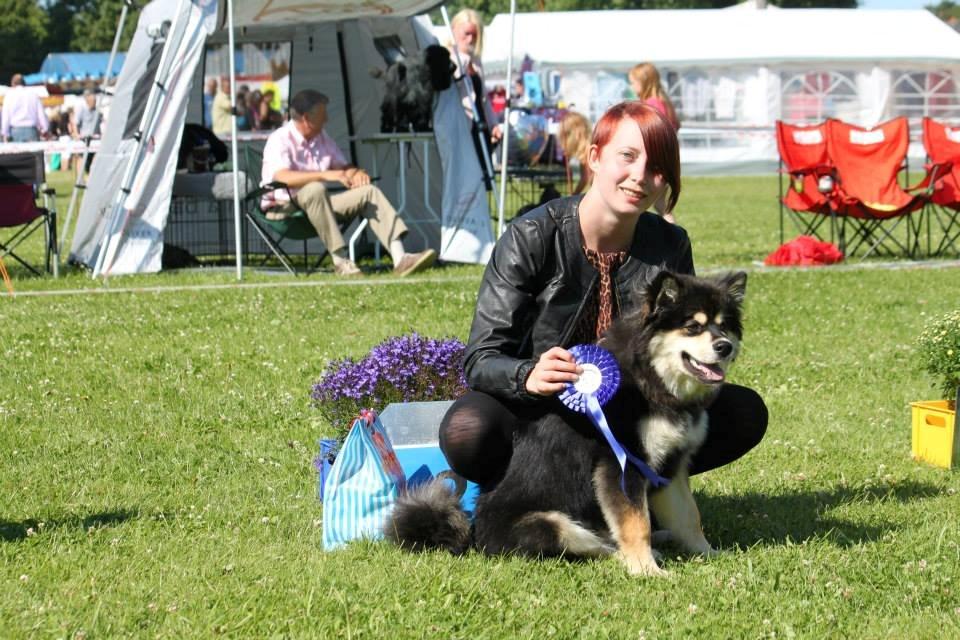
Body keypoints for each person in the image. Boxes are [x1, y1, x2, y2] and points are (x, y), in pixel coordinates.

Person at [438, 101, 767, 489]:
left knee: (744, 412)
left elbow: (677, 348)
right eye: (627, 156)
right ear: (595, 157)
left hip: (632, 408)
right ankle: (525, 495)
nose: (640, 176)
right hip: (539, 412)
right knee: (467, 430)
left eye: (657, 167)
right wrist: (528, 374)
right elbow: (481, 358)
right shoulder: (531, 237)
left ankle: (633, 490)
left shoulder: (670, 245)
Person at [260, 89, 437, 277]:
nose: (327, 119)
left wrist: (355, 173)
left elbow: (344, 166)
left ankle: (400, 258)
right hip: (285, 209)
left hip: (320, 204)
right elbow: (283, 177)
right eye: (322, 114)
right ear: (306, 118)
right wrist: (328, 175)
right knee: (315, 189)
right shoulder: (279, 139)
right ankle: (341, 262)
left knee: (368, 191)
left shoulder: (321, 137)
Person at [447, 9, 502, 173]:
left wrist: (494, 124)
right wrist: (463, 59)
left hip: (480, 128)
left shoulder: (476, 61)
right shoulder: (447, 58)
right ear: (454, 30)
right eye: (467, 34)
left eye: (475, 35)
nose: (470, 39)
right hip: (461, 129)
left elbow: (483, 98)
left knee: (482, 176)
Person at [628, 62, 680, 223]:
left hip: (654, 161)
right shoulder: (663, 102)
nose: (632, 87)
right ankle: (672, 238)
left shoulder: (651, 106)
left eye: (633, 82)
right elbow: (676, 126)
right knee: (660, 205)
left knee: (639, 201)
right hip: (664, 159)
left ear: (644, 82)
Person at [1, 74, 49, 142]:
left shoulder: (9, 96)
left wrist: (5, 133)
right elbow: (41, 114)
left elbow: (6, 117)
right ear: (24, 83)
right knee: (33, 152)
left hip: (15, 132)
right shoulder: (33, 94)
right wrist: (45, 129)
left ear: (12, 84)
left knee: (17, 152)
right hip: (31, 131)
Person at [557, 111, 593, 195]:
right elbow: (584, 179)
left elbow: (586, 177)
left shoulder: (589, 153)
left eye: (565, 136)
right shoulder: (585, 154)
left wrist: (573, 196)